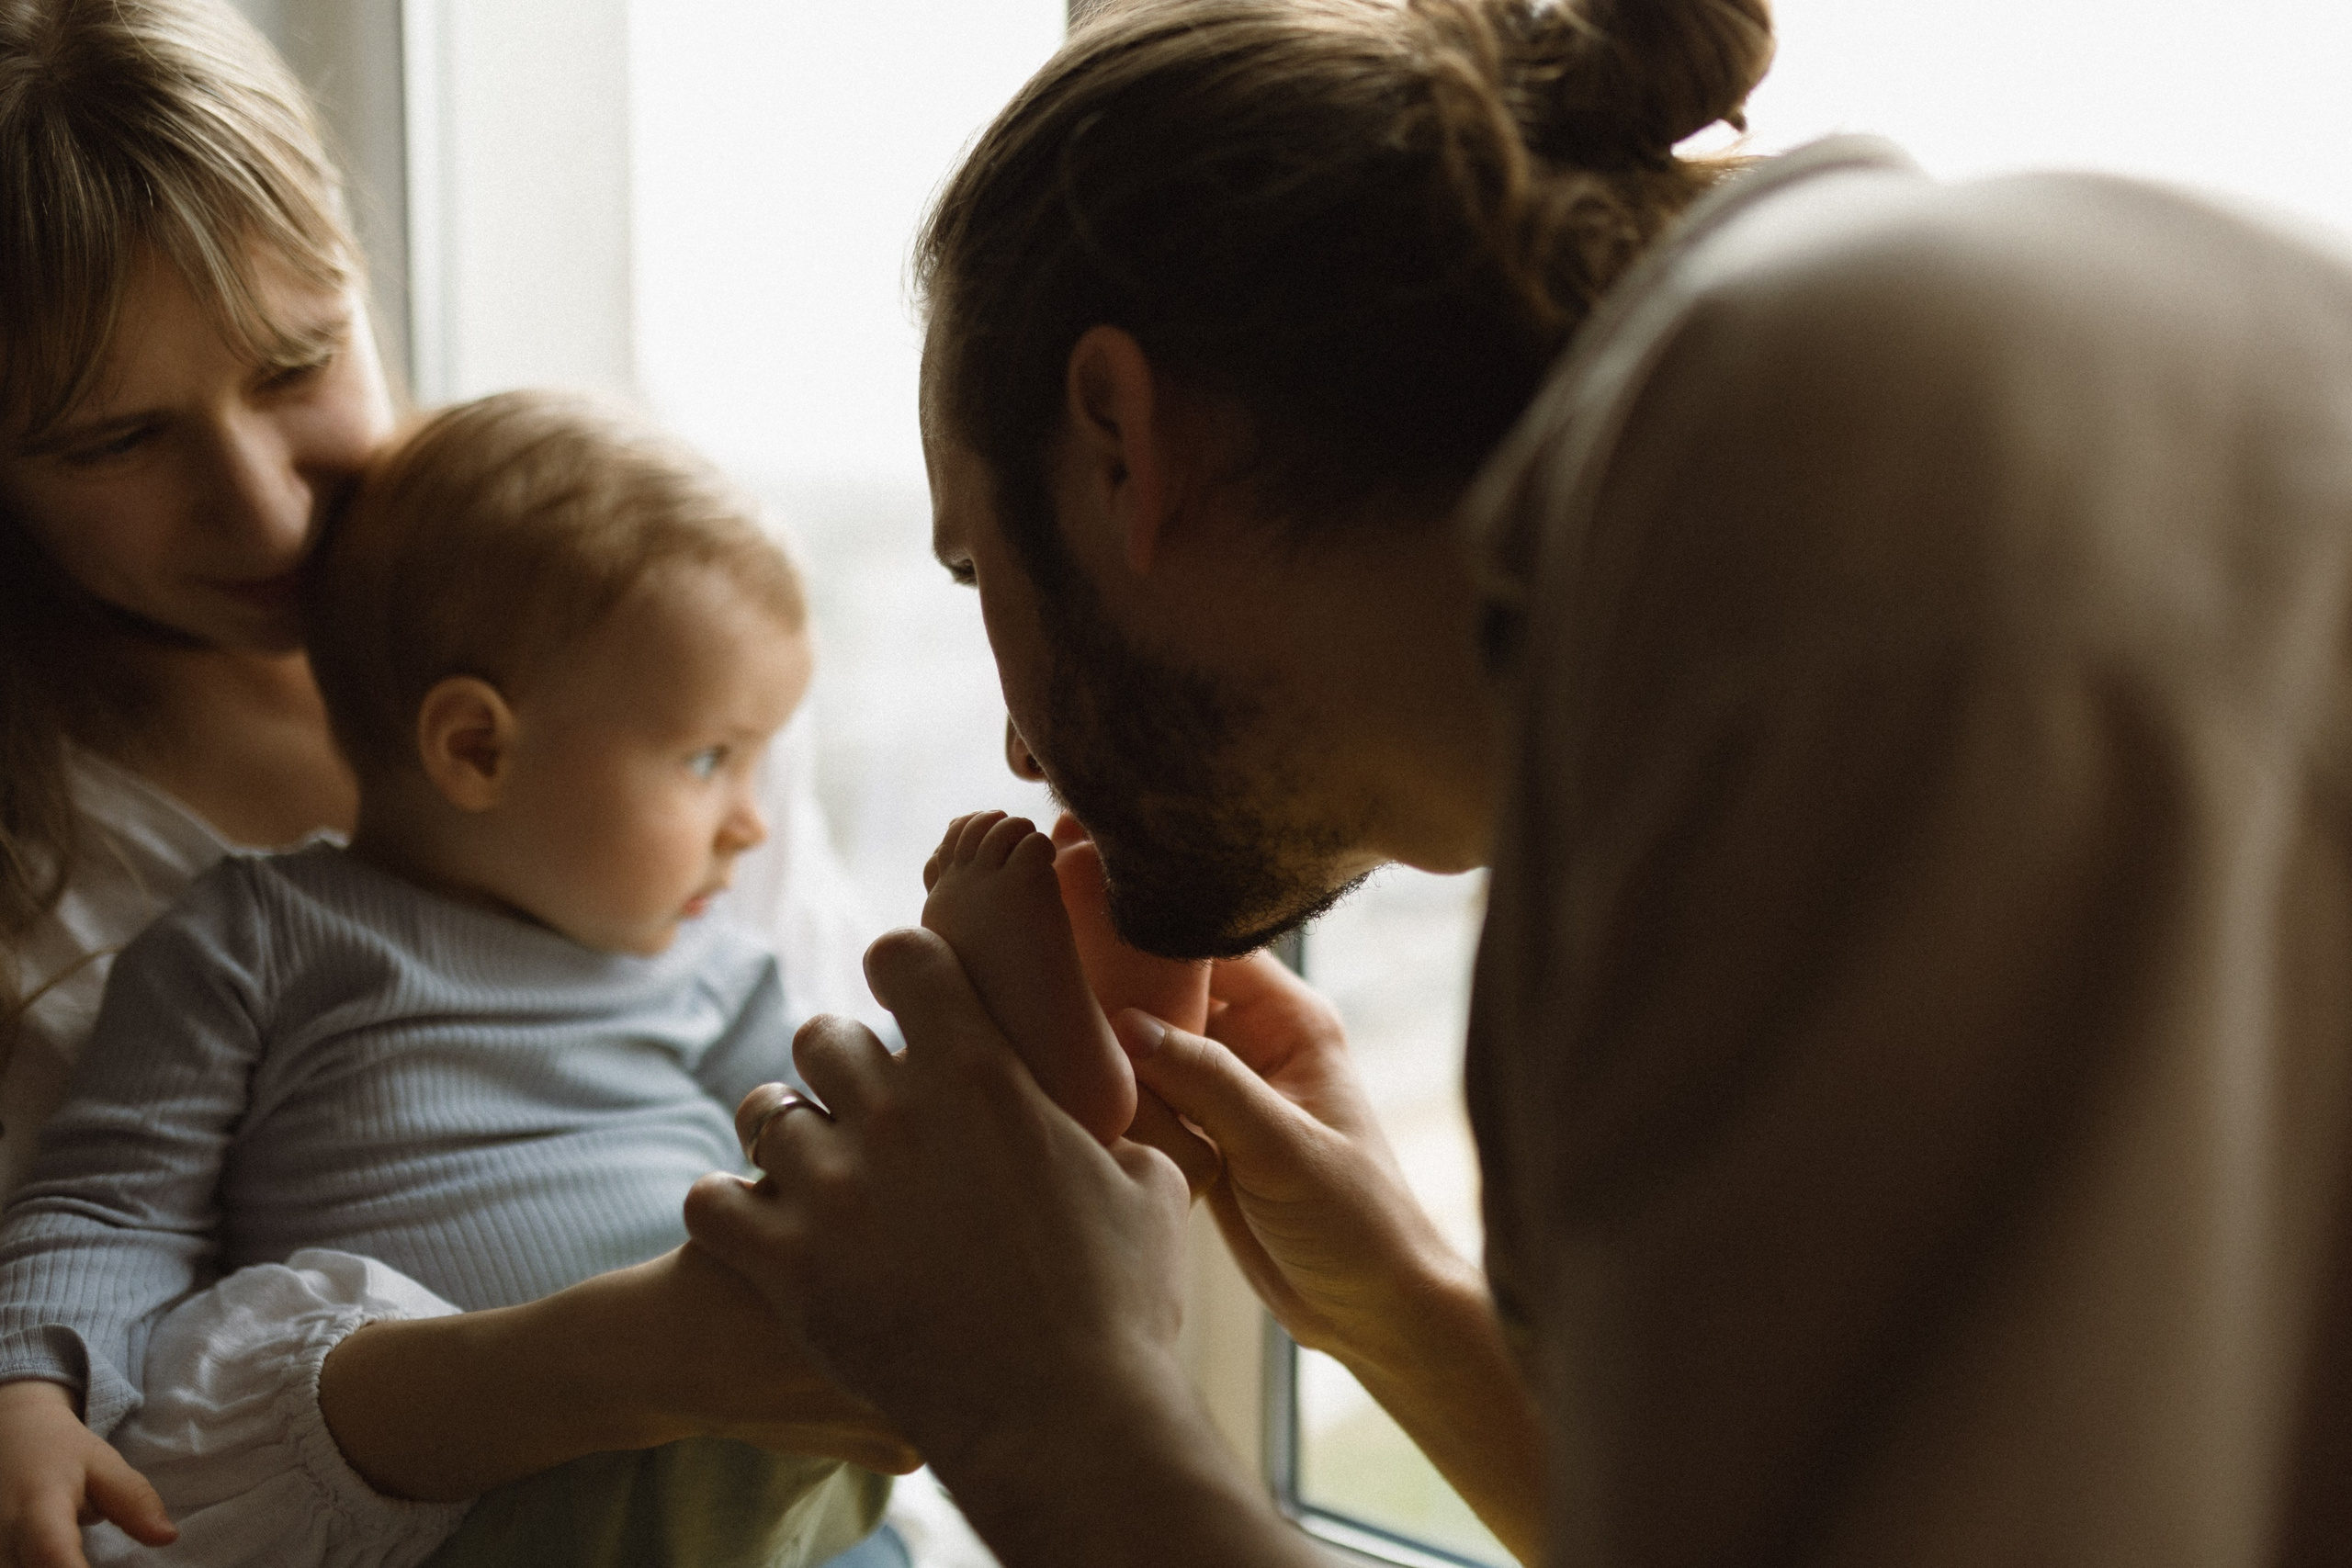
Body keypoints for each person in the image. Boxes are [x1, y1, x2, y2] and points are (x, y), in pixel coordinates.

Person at [683, 0, 2352, 1564]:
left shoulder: (1820, 499)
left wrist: (1030, 1401)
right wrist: (1404, 1312)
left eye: (979, 573)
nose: (1019, 751)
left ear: (1121, 443)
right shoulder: (1855, 407)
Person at [0, 4, 905, 1565]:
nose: (263, 510)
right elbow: (110, 1264)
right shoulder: (128, 896)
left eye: (298, 361)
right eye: (117, 440)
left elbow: (825, 1110)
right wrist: (29, 1381)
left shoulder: (645, 639)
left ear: (363, 273)